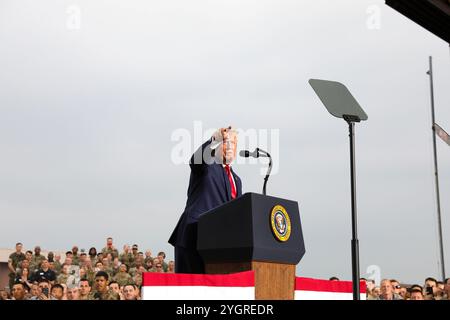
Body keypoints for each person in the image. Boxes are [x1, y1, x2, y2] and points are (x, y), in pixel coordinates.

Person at [169, 126, 242, 274]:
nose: (229, 147)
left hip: (218, 245)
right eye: (226, 142)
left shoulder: (237, 180)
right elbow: (196, 160)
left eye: (233, 144)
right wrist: (214, 139)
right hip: (193, 237)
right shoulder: (207, 165)